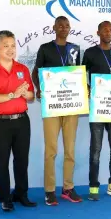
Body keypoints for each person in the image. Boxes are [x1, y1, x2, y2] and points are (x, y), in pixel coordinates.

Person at [0, 30, 37, 212]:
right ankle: (4, 198)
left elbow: (31, 96)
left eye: (13, 45)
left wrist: (24, 93)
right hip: (0, 124)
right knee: (1, 161)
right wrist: (13, 95)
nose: (11, 49)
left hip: (21, 121)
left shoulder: (22, 69)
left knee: (22, 160)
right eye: (6, 46)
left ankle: (21, 194)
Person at [32, 16, 82, 205]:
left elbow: (78, 74)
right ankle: (49, 190)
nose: (63, 28)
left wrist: (83, 88)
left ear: (70, 28)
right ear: (54, 27)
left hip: (71, 106)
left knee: (70, 149)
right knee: (51, 149)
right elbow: (36, 71)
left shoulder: (75, 49)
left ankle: (68, 187)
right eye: (60, 25)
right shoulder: (45, 48)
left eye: (67, 26)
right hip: (52, 105)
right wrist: (39, 89)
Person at [81, 21, 111, 201]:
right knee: (96, 149)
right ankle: (93, 186)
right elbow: (81, 74)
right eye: (105, 30)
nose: (109, 32)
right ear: (98, 32)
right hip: (98, 107)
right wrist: (87, 88)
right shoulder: (90, 53)